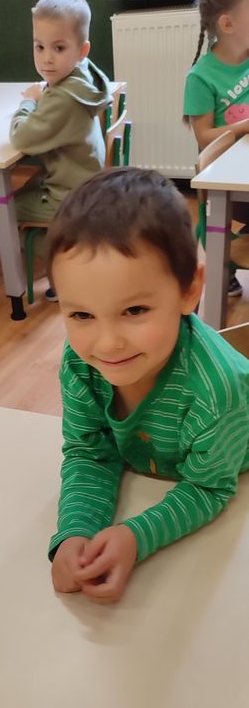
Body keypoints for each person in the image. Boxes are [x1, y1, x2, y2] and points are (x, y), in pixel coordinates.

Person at [47, 167, 249, 603]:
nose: (107, 343)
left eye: (134, 310)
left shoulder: (217, 390)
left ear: (189, 290)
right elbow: (90, 451)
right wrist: (76, 530)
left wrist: (136, 536)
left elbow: (210, 487)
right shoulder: (80, 365)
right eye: (81, 315)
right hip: (155, 474)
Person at [9, 0, 111, 295]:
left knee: (5, 210)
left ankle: (71, 263)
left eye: (59, 48)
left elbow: (20, 138)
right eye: (39, 46)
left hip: (70, 197)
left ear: (82, 50)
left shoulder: (64, 98)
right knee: (23, 191)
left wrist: (29, 102)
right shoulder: (82, 76)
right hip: (88, 185)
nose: (47, 59)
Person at [184, 0, 249, 297]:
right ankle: (224, 263)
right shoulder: (200, 77)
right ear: (228, 24)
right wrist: (244, 127)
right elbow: (204, 136)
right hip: (226, 181)